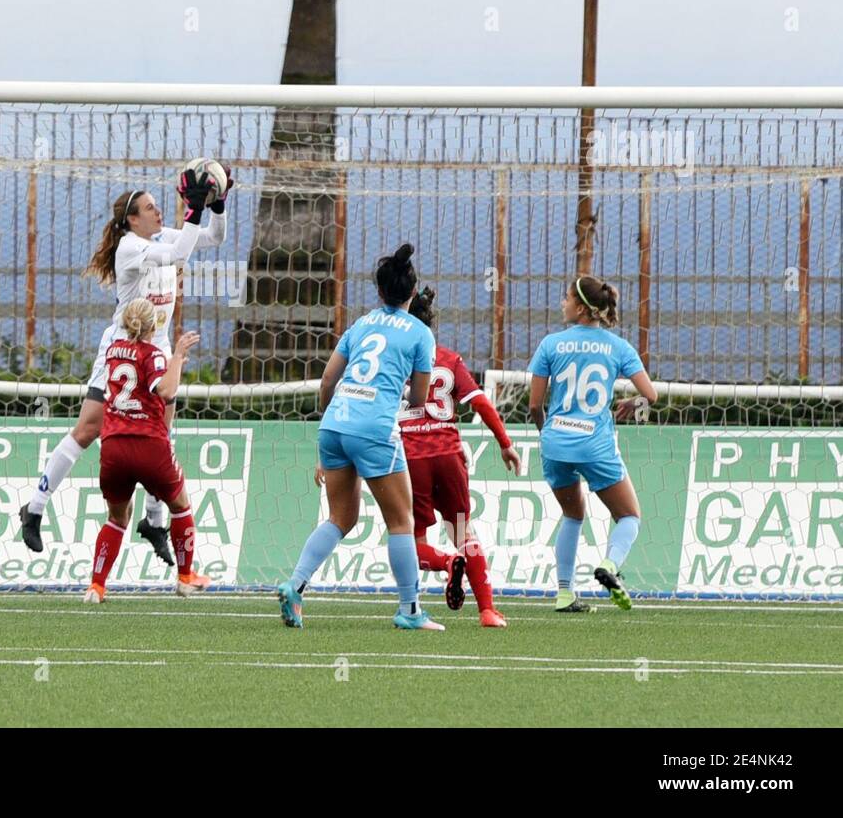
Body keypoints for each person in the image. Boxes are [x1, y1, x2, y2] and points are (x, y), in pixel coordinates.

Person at [20, 162, 231, 563]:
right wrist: (194, 207)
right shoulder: (131, 248)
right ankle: (34, 508)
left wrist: (217, 203)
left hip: (158, 351)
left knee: (161, 437)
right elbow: (177, 253)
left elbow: (214, 239)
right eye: (150, 208)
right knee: (88, 428)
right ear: (132, 220)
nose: (158, 212)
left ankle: (153, 521)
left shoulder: (161, 235)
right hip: (120, 351)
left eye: (157, 206)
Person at [276, 244, 442, 631]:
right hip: (374, 427)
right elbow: (418, 398)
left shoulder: (362, 324)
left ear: (380, 292)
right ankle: (411, 610)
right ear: (412, 293)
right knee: (401, 521)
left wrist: (330, 429)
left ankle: (295, 585)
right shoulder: (420, 334)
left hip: (335, 423)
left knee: (339, 517)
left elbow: (328, 381)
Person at [528, 275, 658, 612]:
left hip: (556, 441)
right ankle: (610, 566)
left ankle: (564, 593)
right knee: (629, 515)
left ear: (582, 308)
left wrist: (548, 436)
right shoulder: (618, 347)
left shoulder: (551, 344)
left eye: (566, 297)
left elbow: (533, 406)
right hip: (595, 444)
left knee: (572, 515)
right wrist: (632, 403)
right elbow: (651, 395)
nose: (562, 303)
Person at [400, 288, 519, 628]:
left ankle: (446, 563)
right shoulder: (449, 359)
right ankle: (488, 611)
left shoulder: (396, 359)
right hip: (450, 455)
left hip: (411, 458)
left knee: (411, 539)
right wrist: (505, 442)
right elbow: (480, 402)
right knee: (463, 531)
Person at [85, 298, 209, 602]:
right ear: (155, 325)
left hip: (113, 445)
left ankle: (96, 586)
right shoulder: (153, 354)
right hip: (149, 444)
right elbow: (166, 391)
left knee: (116, 517)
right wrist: (177, 355)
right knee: (181, 505)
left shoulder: (113, 352)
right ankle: (184, 578)